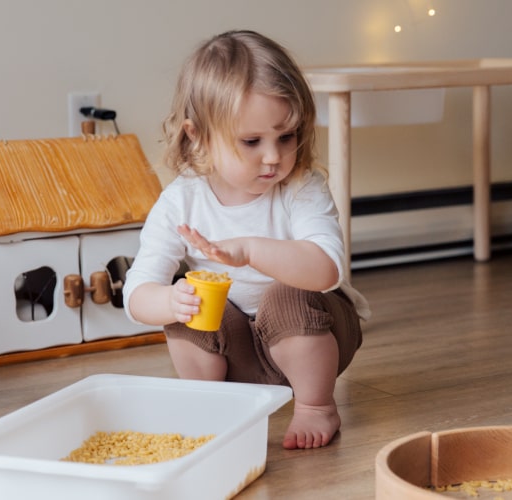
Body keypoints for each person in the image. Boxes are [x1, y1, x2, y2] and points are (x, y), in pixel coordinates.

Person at [122, 30, 370, 450]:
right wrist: (170, 302)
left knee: (285, 295)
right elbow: (136, 292)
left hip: (313, 340)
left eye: (286, 137)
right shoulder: (181, 201)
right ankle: (212, 406)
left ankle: (316, 406)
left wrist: (250, 250)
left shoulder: (301, 187)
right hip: (237, 356)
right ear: (199, 135)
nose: (273, 157)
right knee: (190, 305)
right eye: (252, 142)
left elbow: (326, 270)